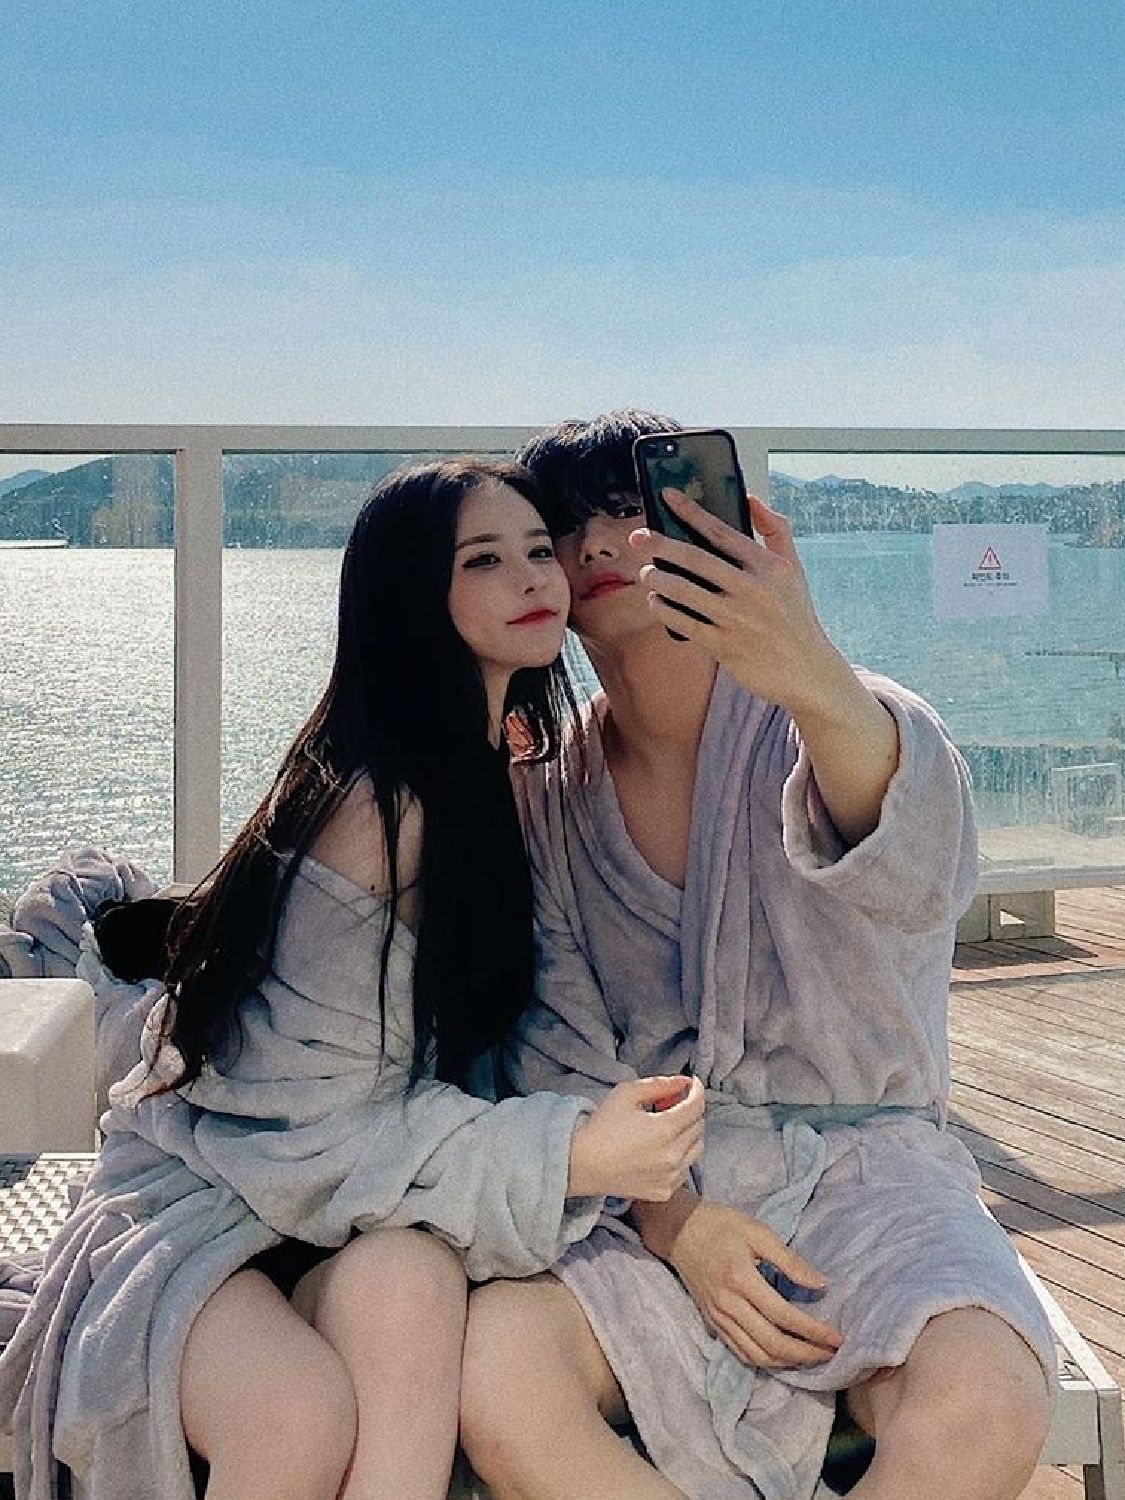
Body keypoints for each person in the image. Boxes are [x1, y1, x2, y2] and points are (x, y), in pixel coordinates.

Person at [0, 458, 705, 1500]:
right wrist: (570, 1152)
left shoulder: (501, 773)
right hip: (215, 1192)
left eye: (535, 551)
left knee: (412, 1282)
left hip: (344, 1203)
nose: (533, 577)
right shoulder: (378, 807)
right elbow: (302, 1120)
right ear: (412, 593)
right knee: (297, 1415)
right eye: (482, 560)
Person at [459, 415, 1057, 1500]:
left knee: (987, 1402)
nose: (599, 543)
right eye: (567, 526)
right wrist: (679, 1227)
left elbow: (917, 876)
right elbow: (558, 1058)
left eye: (632, 507)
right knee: (499, 1373)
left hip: (870, 1177)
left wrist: (811, 672)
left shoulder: (838, 719)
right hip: (648, 1200)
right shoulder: (545, 795)